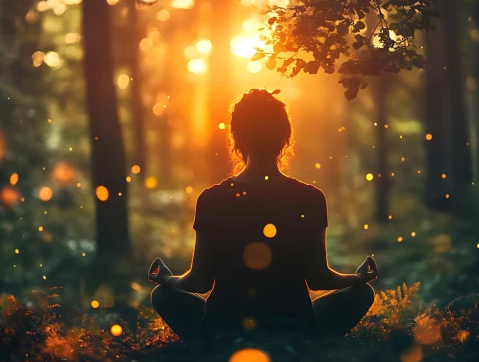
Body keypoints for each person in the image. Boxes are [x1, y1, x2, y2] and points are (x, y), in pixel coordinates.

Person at [148, 88, 377, 341]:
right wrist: (357, 278)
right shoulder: (309, 198)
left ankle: (215, 345)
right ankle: (306, 343)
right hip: (293, 327)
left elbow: (200, 282)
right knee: (363, 293)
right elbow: (318, 277)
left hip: (225, 328)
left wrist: (168, 280)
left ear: (236, 137)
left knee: (161, 295)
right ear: (285, 136)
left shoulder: (212, 199)